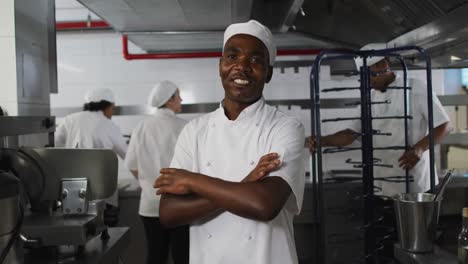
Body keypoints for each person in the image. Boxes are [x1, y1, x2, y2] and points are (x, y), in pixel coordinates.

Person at [153, 20, 306, 264]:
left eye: (255, 60)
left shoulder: (286, 127)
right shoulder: (195, 131)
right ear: (221, 65)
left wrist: (192, 180)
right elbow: (169, 213)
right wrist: (246, 183)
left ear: (269, 73)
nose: (241, 67)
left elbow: (264, 204)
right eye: (232, 56)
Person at [308, 43, 451, 196]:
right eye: (363, 76)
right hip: (381, 187)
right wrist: (323, 141)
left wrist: (419, 148)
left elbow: (444, 126)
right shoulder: (370, 98)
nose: (368, 80)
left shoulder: (415, 87)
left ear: (384, 64)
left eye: (371, 74)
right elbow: (351, 133)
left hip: (415, 184)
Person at [124, 81, 189, 264]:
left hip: (150, 205)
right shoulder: (184, 127)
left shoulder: (141, 127)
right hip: (180, 205)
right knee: (182, 256)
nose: (181, 99)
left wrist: (148, 183)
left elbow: (131, 164)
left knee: (155, 256)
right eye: (178, 96)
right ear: (169, 100)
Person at [55, 88, 127, 226]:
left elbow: (56, 146)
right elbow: (128, 157)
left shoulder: (70, 120)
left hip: (72, 193)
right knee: (106, 233)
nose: (112, 112)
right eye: (113, 108)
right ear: (106, 105)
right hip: (104, 194)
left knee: (75, 232)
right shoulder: (109, 125)